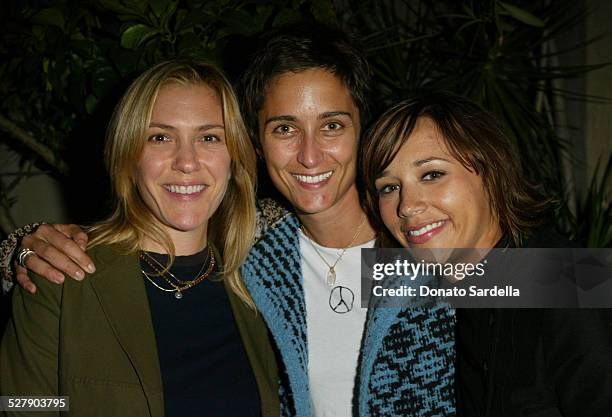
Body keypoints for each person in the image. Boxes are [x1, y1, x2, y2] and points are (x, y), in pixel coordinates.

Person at [1, 25, 455, 416]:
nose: (310, 153)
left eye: (332, 125)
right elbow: (21, 402)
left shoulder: (425, 241)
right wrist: (20, 247)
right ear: (255, 145)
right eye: (284, 128)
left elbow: (524, 297)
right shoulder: (262, 260)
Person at [1, 60, 279, 417]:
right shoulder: (62, 276)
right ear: (130, 154)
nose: (187, 161)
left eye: (209, 137)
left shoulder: (262, 285)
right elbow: (16, 403)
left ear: (235, 158)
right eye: (160, 137)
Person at [360, 92, 612, 416]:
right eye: (389, 187)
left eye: (432, 174)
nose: (407, 206)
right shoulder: (445, 299)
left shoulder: (572, 280)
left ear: (491, 171)